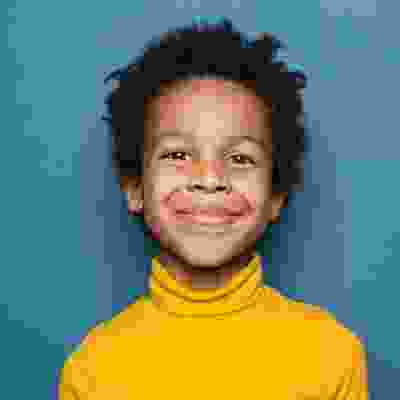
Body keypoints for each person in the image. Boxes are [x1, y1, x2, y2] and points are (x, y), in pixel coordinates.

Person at [58, 17, 369, 399]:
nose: (209, 178)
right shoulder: (91, 369)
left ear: (276, 195)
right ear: (134, 187)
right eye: (177, 154)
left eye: (240, 158)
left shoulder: (332, 355)